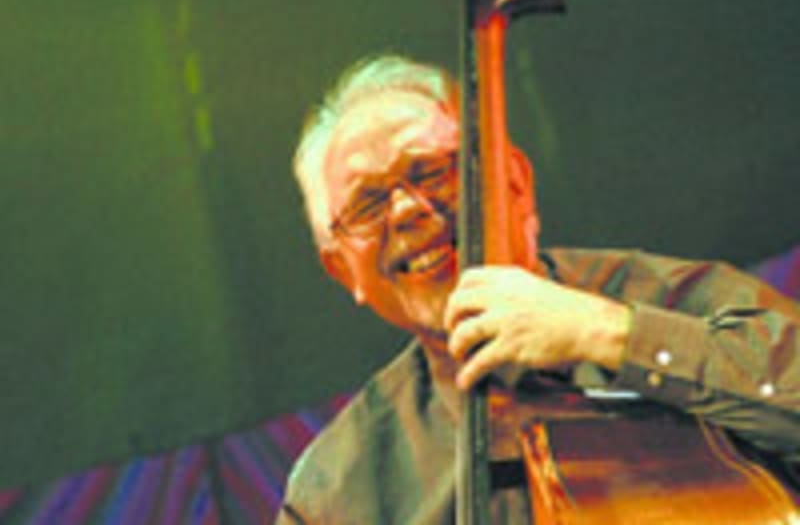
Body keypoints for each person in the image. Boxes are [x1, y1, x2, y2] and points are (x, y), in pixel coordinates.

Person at [277, 55, 800, 523]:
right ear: (343, 271)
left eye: (432, 172)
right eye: (368, 205)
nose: (408, 210)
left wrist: (607, 335)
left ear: (516, 181)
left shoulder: (670, 297)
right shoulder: (335, 492)